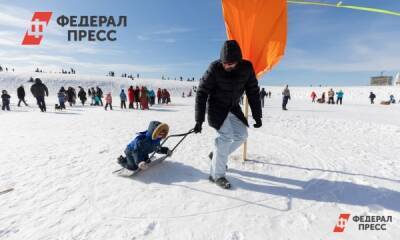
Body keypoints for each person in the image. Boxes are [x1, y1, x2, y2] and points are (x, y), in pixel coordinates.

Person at [194, 40, 262, 189]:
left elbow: (253, 92)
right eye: (225, 63)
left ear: (238, 61)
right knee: (225, 136)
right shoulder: (214, 68)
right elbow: (201, 92)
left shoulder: (247, 68)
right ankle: (216, 175)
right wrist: (199, 120)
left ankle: (217, 155)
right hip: (216, 108)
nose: (227, 66)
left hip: (232, 107)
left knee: (242, 135)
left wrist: (257, 115)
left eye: (230, 64)